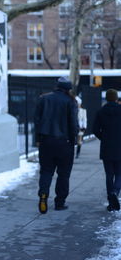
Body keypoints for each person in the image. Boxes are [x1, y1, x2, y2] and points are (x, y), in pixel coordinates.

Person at [34, 76, 78, 214]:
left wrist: (38, 138)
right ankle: (60, 202)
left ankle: (43, 194)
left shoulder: (44, 99)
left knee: (46, 171)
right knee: (63, 175)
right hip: (64, 143)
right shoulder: (70, 101)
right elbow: (73, 124)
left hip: (46, 141)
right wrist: (74, 140)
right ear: (68, 89)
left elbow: (37, 120)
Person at [93, 89, 121, 212]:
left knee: (109, 174)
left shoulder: (101, 111)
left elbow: (95, 129)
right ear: (116, 98)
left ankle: (111, 200)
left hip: (106, 147)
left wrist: (103, 138)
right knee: (119, 173)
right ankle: (115, 191)